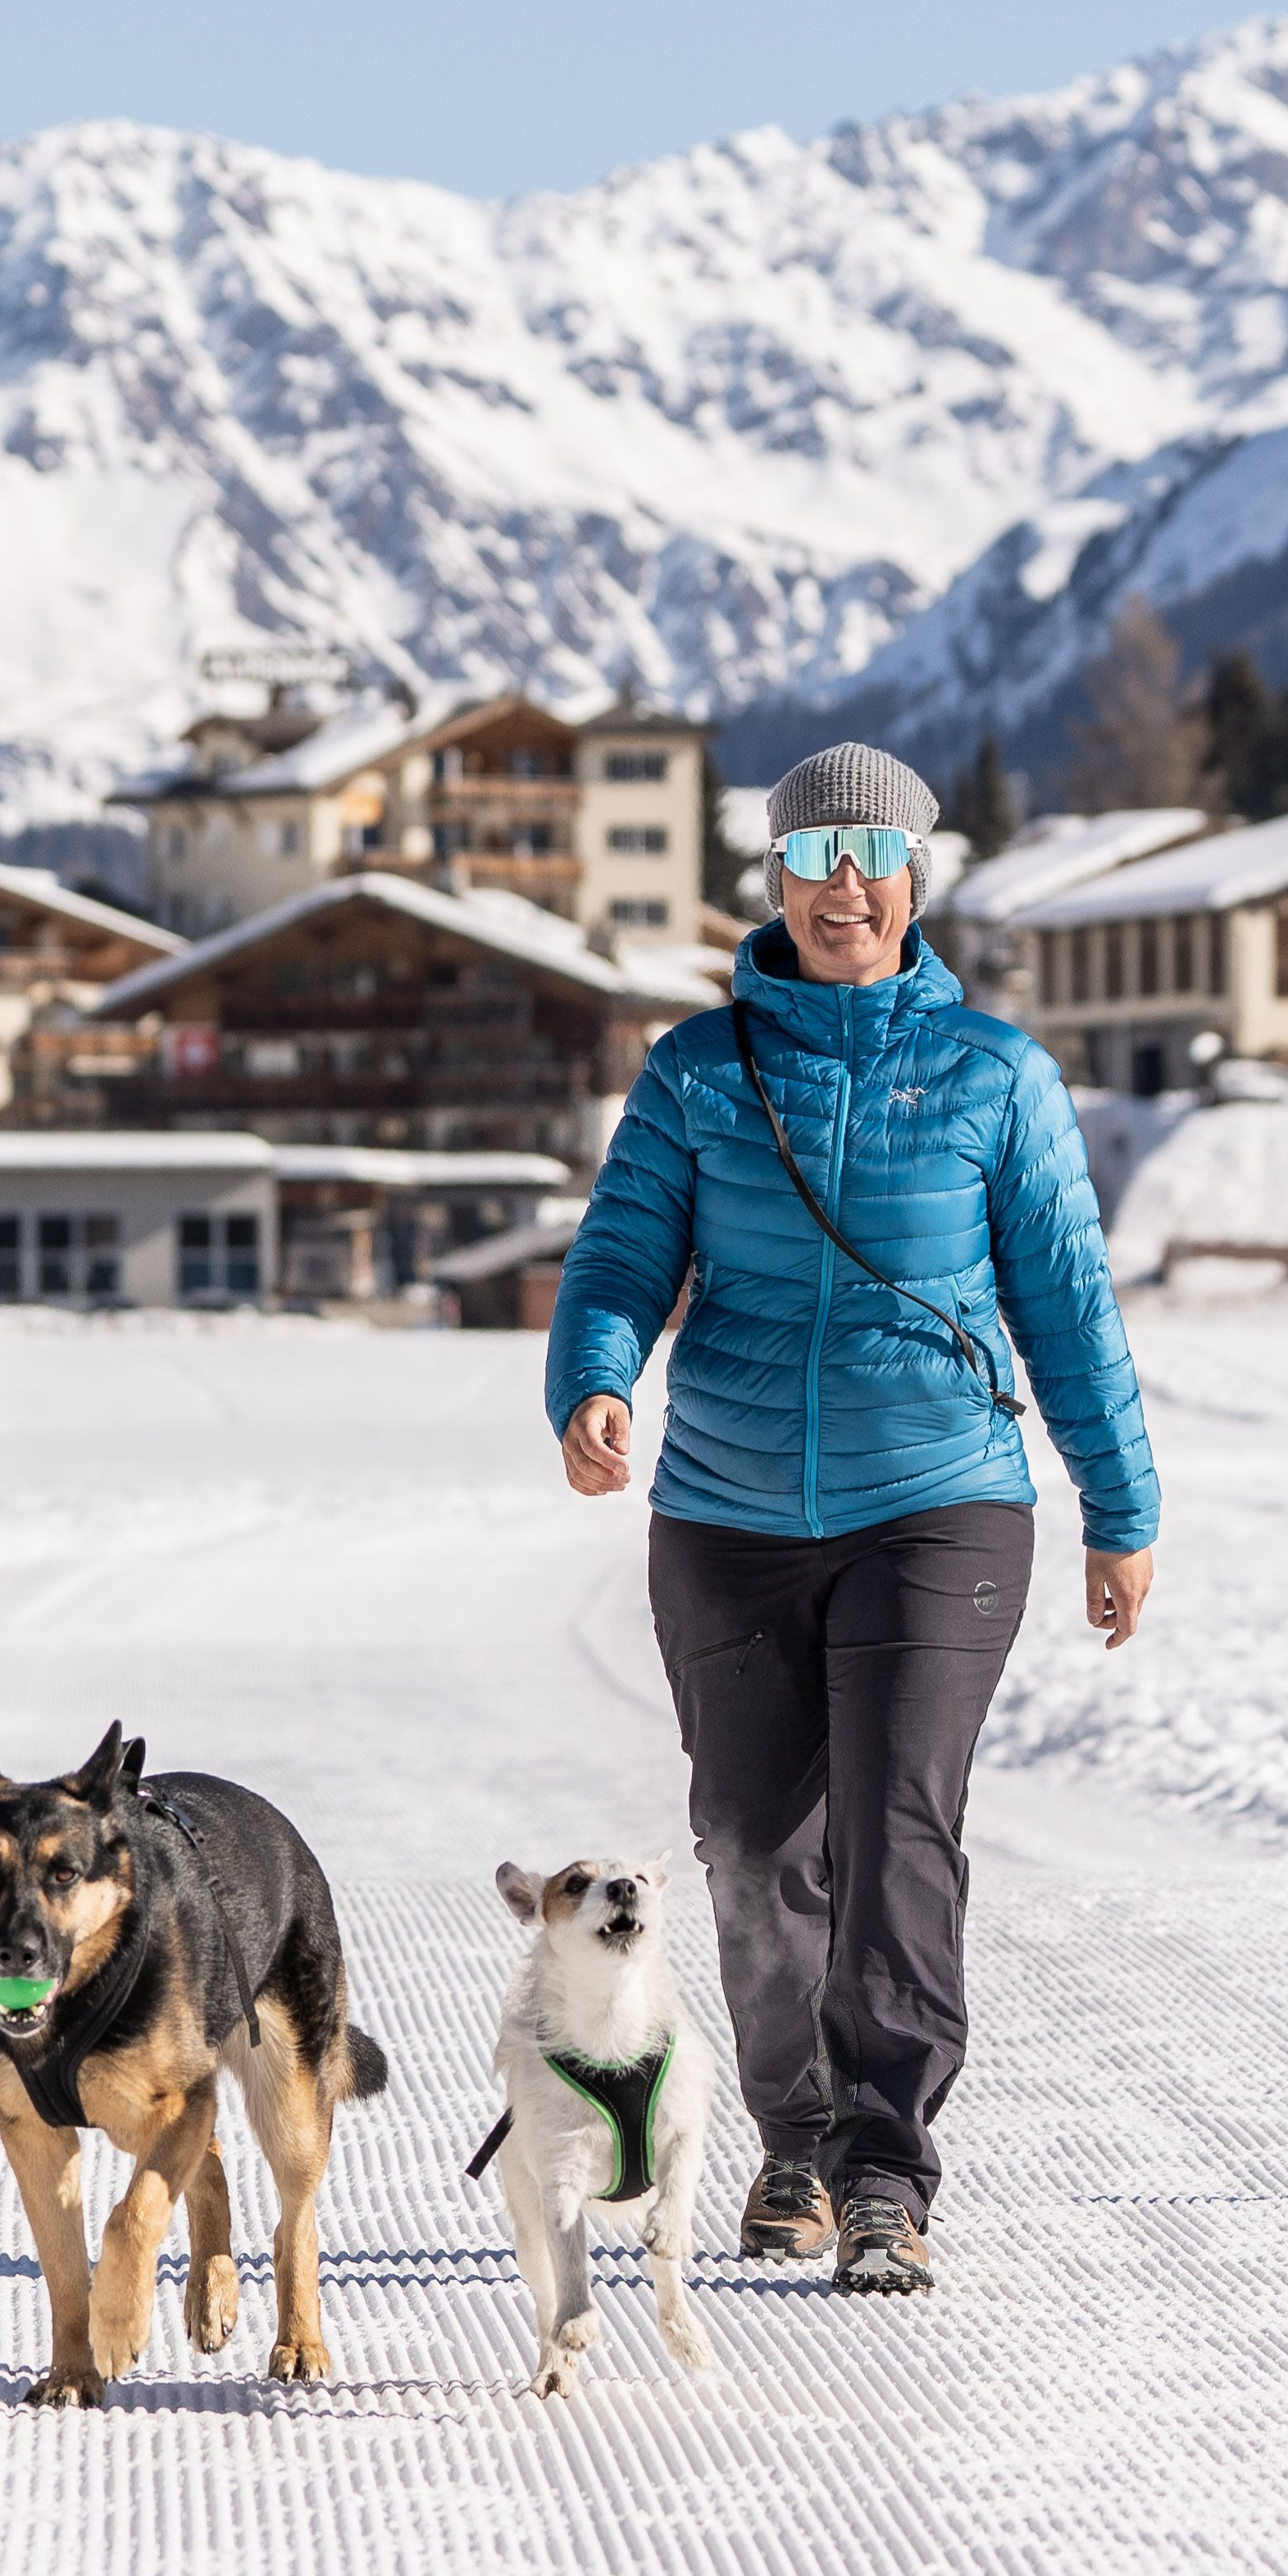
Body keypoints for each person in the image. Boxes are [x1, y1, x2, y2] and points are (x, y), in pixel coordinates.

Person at [545, 742, 1157, 2296]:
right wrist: (595, 1383)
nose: (841, 888)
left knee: (894, 1829)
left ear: (910, 879)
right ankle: (793, 2139)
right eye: (811, 861)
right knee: (751, 1846)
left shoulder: (991, 1075)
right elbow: (619, 1255)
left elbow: (1066, 1306)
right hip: (730, 1510)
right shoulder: (696, 1071)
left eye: (867, 859)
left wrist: (1118, 1502)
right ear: (775, 883)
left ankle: (886, 2165)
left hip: (939, 1505)